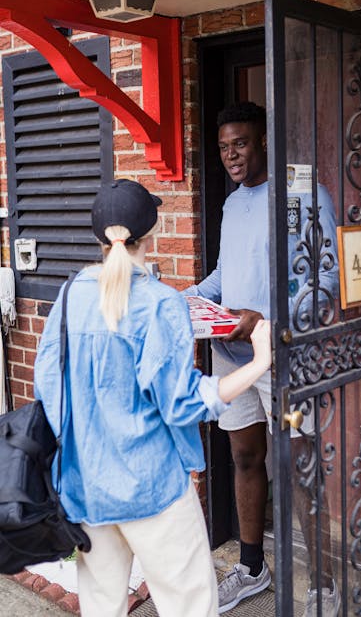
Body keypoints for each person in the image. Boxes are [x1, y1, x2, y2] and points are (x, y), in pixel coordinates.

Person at [34, 178, 272, 617]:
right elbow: (183, 403)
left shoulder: (69, 297)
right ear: (152, 232)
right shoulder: (162, 303)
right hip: (154, 488)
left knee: (102, 607)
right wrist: (258, 363)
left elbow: (48, 392)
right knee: (189, 607)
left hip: (88, 487)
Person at [185, 102, 340, 616]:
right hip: (232, 358)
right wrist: (185, 298)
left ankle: (323, 583)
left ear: (264, 141)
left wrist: (266, 315)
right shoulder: (232, 204)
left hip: (285, 362)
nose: (231, 155)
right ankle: (253, 567)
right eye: (225, 146)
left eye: (241, 144)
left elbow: (328, 282)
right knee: (245, 457)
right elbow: (224, 277)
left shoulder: (304, 195)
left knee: (299, 463)